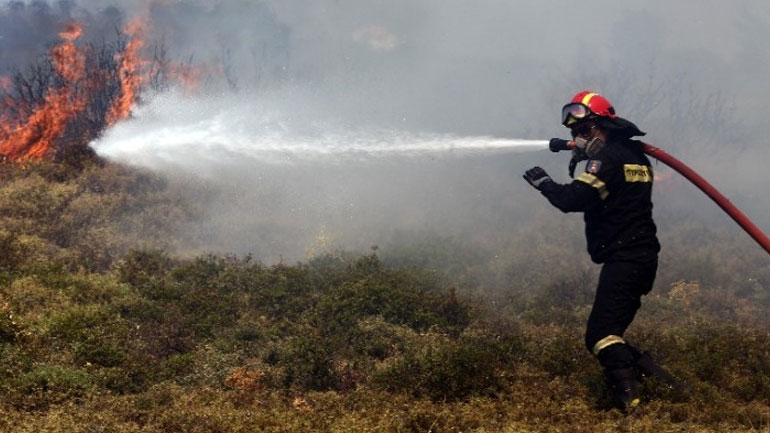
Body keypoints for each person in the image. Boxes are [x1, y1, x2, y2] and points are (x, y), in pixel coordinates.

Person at [522, 91, 670, 413]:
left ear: (604, 127)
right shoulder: (634, 157)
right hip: (639, 257)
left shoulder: (607, 160)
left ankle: (630, 405)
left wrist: (544, 183)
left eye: (586, 131)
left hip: (627, 258)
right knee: (609, 333)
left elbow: (572, 200)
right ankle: (670, 385)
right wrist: (581, 154)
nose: (579, 138)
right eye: (575, 133)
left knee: (601, 335)